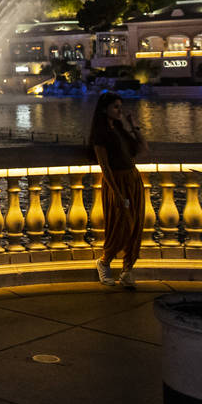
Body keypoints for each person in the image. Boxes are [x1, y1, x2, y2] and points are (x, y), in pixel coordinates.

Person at [88, 91, 147, 289]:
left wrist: (133, 125)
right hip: (117, 182)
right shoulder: (100, 135)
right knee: (121, 226)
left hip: (133, 179)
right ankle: (104, 262)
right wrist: (116, 193)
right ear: (104, 109)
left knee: (136, 225)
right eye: (116, 107)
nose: (119, 110)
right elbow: (105, 166)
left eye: (120, 107)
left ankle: (127, 270)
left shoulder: (121, 129)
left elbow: (142, 148)